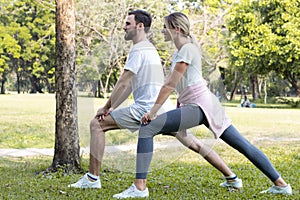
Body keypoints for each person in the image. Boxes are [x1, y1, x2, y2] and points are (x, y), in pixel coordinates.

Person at [113, 12, 292, 199]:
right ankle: (279, 184)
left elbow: (170, 85)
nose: (162, 30)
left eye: (165, 27)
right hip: (204, 105)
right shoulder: (180, 51)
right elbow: (178, 85)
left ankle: (139, 188)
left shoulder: (187, 50)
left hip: (200, 106)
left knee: (148, 127)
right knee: (242, 145)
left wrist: (153, 112)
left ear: (177, 29)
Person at [68, 10, 242, 191]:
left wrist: (105, 108)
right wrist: (112, 107)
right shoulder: (149, 49)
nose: (124, 27)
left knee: (97, 124)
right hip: (164, 110)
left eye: (128, 23)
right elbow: (128, 86)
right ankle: (232, 177)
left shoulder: (139, 49)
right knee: (194, 143)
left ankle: (92, 179)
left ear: (140, 26)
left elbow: (124, 81)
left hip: (145, 109)